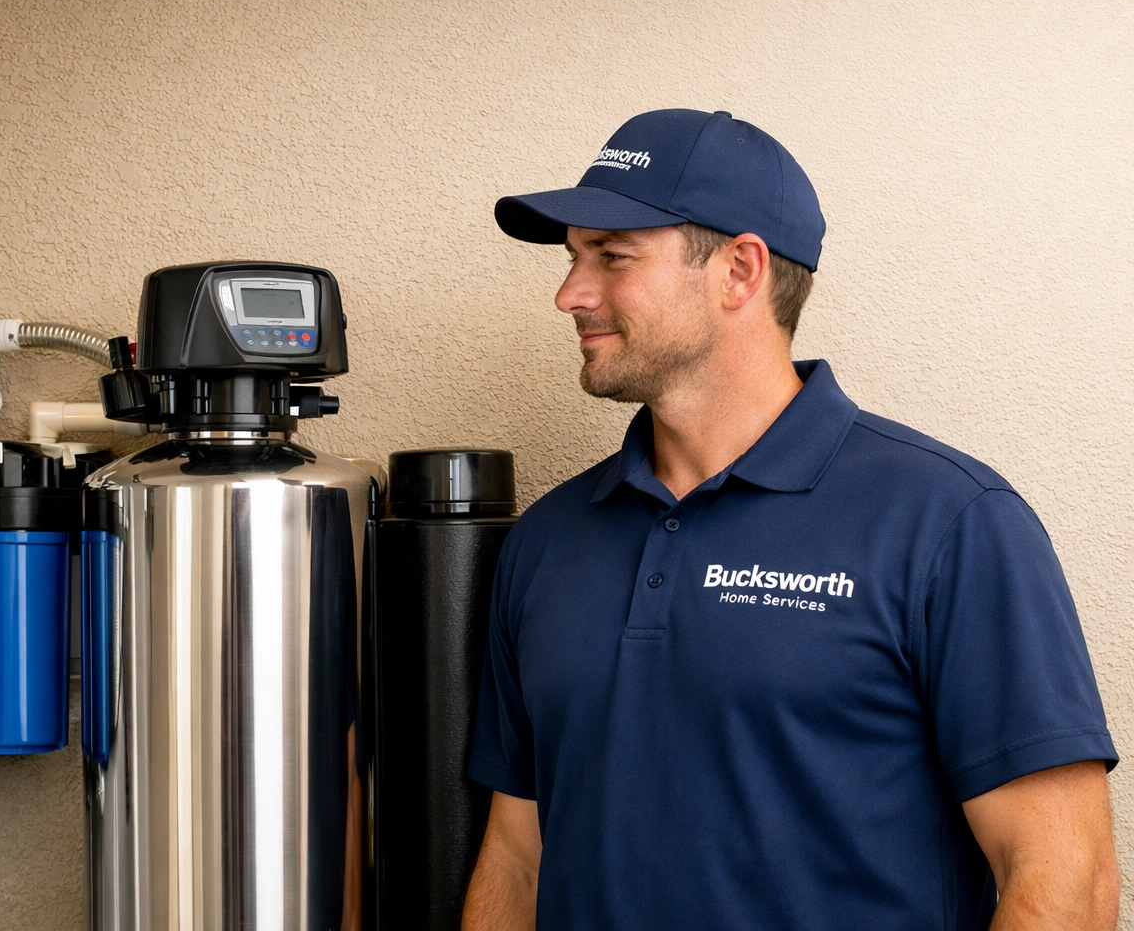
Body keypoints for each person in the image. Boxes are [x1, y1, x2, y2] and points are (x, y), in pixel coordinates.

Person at [461, 109, 1119, 930]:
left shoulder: (950, 524)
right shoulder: (549, 538)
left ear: (740, 270)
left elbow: (1066, 879)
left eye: (612, 257)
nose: (570, 294)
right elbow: (518, 859)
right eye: (572, 258)